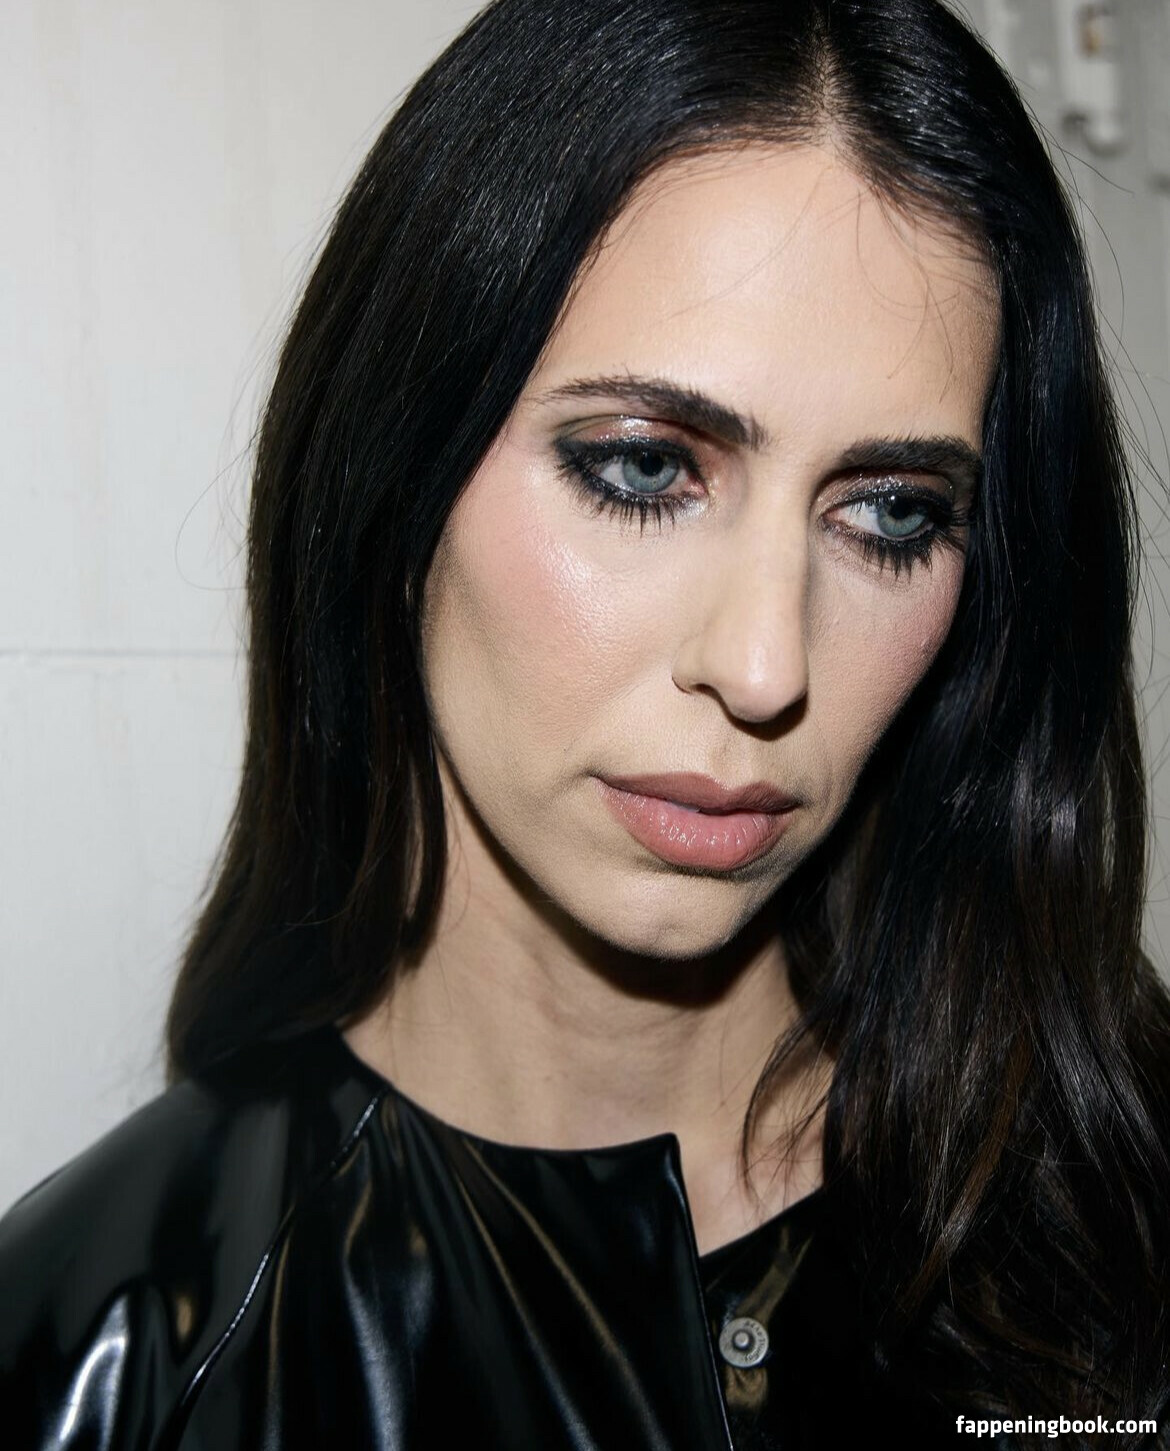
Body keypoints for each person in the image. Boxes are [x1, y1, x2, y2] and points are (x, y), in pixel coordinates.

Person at [3, 0, 1169, 1446]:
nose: (763, 667)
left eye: (889, 513)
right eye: (642, 469)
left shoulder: (1122, 1202)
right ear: (394, 476)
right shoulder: (104, 1353)